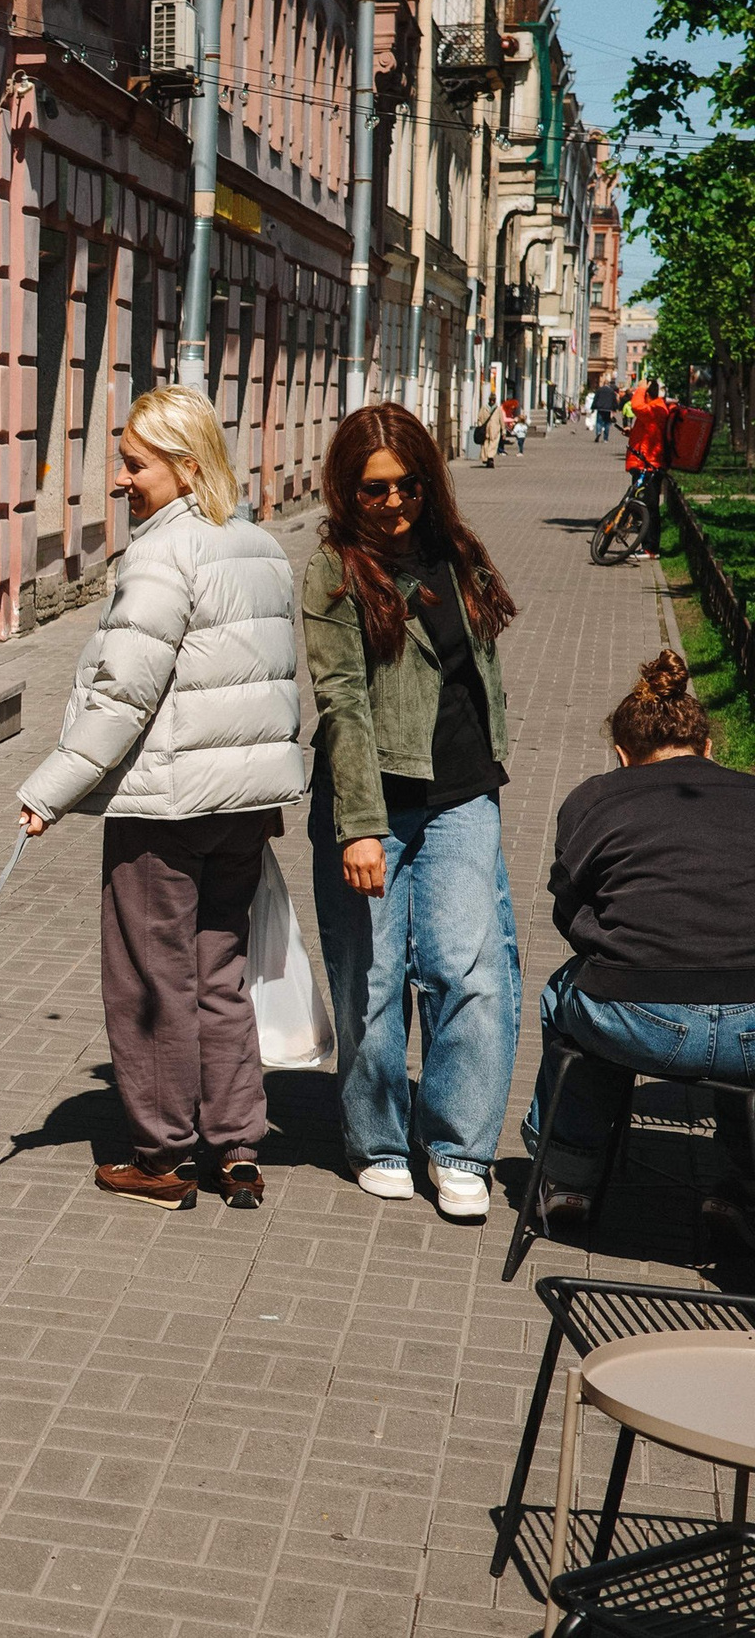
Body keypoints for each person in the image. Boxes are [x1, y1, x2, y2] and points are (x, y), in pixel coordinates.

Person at [14, 387, 305, 1211]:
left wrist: (49, 793)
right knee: (220, 973)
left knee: (149, 984)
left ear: (184, 466)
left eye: (135, 462)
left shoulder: (161, 554)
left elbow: (123, 696)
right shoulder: (260, 544)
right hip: (244, 808)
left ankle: (163, 1156)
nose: (121, 477)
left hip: (165, 809)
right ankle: (238, 1145)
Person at [304, 402, 522, 1219]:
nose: (393, 503)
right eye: (374, 490)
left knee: (469, 967)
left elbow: (477, 670)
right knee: (373, 976)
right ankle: (380, 1138)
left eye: (407, 486)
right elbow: (343, 702)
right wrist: (358, 823)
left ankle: (460, 1144)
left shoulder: (453, 551)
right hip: (375, 804)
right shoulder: (333, 570)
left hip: (463, 793)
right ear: (346, 491)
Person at [518, 651, 755, 1241]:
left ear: (622, 754)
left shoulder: (598, 796)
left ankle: (568, 1178)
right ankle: (739, 1194)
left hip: (638, 1017)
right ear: (707, 748)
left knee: (565, 996)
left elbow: (569, 907)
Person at [622, 377, 675, 556]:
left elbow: (636, 406)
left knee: (649, 507)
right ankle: (647, 546)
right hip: (644, 462)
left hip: (649, 465)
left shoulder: (656, 408)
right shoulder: (656, 409)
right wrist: (632, 432)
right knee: (644, 504)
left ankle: (650, 548)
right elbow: (649, 430)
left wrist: (640, 388)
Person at [479, 394, 506, 468]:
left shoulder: (498, 409)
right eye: (491, 400)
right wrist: (480, 427)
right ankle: (487, 458)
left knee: (493, 444)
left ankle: (490, 457)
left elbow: (501, 421)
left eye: (493, 400)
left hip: (495, 430)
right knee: (486, 444)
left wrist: (503, 431)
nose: (492, 401)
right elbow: (480, 418)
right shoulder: (484, 408)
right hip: (485, 430)